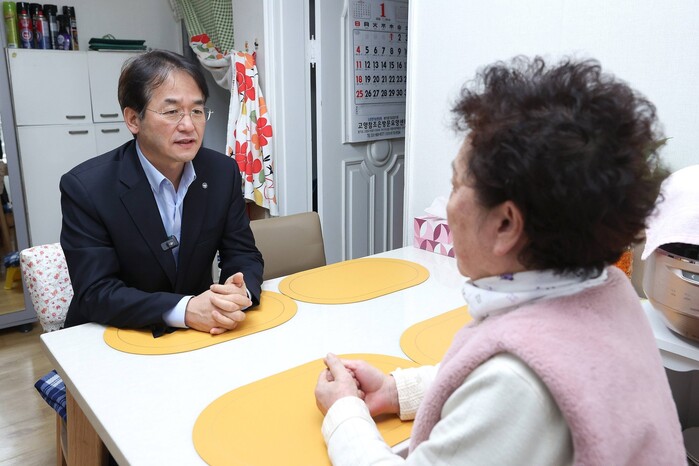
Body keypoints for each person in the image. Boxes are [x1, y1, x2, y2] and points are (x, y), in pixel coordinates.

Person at [314, 57, 685, 465]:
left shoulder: (515, 383)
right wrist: (396, 390)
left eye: (456, 185)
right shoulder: (609, 292)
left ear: (506, 224)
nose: (448, 204)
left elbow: (507, 392)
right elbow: (496, 388)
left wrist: (344, 412)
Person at [60, 49, 263, 335]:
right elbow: (96, 292)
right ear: (133, 119)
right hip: (113, 332)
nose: (189, 125)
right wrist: (185, 310)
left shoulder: (222, 172)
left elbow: (243, 253)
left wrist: (239, 291)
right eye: (171, 112)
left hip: (198, 331)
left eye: (197, 110)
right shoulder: (86, 188)